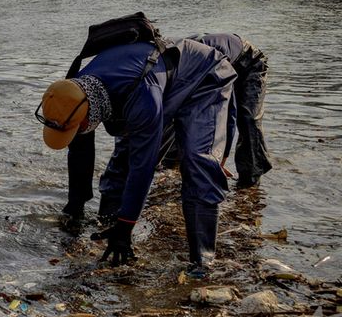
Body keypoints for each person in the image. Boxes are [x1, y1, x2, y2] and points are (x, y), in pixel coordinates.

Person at [39, 32, 235, 277]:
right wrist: (74, 209)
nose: (77, 132)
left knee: (197, 162)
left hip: (205, 77)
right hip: (158, 82)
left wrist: (126, 227)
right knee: (123, 157)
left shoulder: (142, 98)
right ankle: (107, 221)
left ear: (90, 114)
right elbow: (80, 152)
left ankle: (202, 261)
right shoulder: (74, 91)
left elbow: (143, 166)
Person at [170, 34, 271, 188]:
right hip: (219, 61)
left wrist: (221, 161)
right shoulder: (170, 70)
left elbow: (228, 115)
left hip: (249, 62)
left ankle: (250, 181)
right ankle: (176, 167)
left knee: (248, 119)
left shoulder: (198, 68)